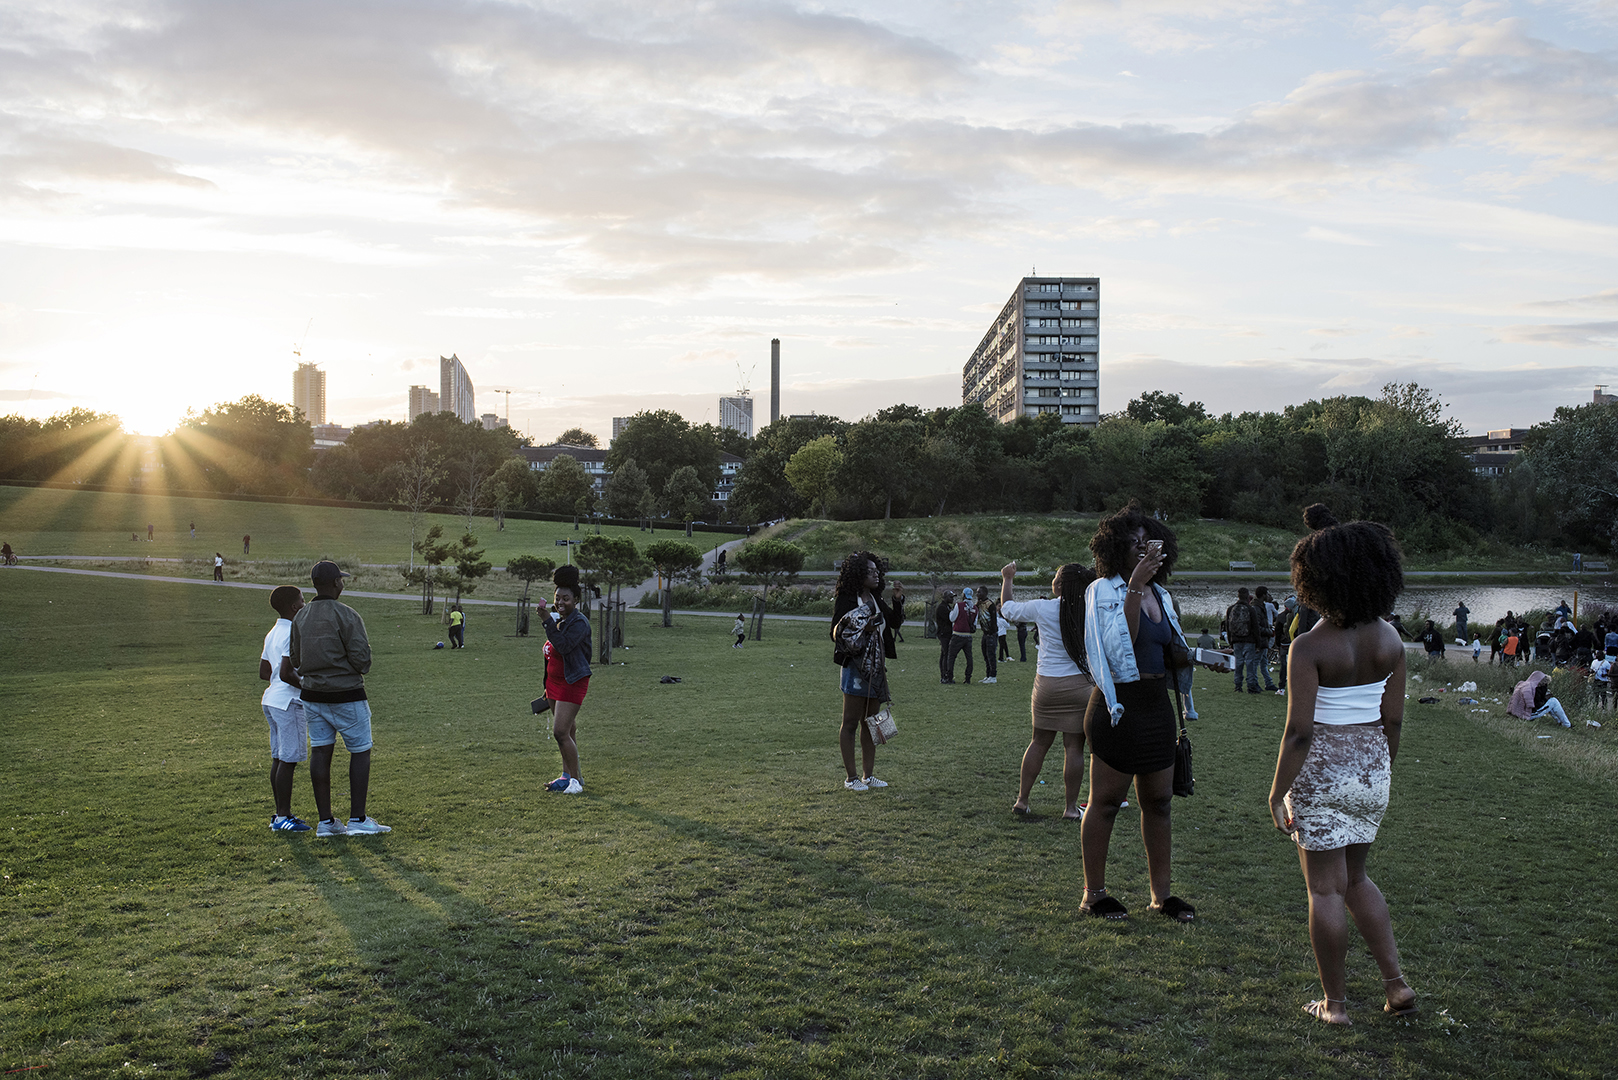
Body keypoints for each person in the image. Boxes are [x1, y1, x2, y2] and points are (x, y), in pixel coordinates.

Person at [1267, 508, 1415, 1026]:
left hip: (1321, 771)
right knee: (1357, 879)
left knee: (1325, 888)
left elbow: (1299, 731)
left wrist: (1276, 792)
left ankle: (1335, 1006)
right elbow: (1393, 720)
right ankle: (1396, 985)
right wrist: (1379, 770)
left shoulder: (1308, 647)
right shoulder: (1391, 640)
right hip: (1372, 766)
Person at [1080, 504, 1195, 922]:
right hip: (1119, 708)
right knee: (1106, 802)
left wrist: (1196, 658)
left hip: (1156, 708)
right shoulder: (1102, 591)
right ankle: (1094, 895)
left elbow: (1166, 650)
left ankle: (1161, 896)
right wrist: (1133, 587)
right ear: (1116, 549)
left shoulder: (1160, 595)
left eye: (1149, 542)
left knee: (1159, 802)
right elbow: (1117, 648)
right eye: (1134, 543)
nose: (1143, 549)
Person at [290, 561, 390, 836]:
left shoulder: (300, 617)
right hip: (347, 694)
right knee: (360, 750)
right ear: (336, 583)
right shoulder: (347, 615)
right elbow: (362, 660)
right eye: (341, 580)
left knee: (321, 750)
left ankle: (326, 822)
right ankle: (358, 819)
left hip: (312, 694)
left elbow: (295, 658)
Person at [1002, 561, 1095, 820]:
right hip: (1081, 685)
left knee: (1039, 742)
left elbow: (1008, 610)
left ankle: (1022, 800)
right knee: (1074, 748)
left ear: (1060, 584)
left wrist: (1007, 578)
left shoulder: (1043, 608)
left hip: (1048, 685)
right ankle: (1070, 808)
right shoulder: (1090, 610)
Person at [831, 551, 904, 791]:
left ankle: (868, 776)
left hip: (876, 668)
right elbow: (836, 632)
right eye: (870, 571)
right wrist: (865, 628)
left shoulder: (875, 598)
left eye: (876, 571)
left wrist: (897, 600)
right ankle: (851, 778)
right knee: (850, 722)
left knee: (871, 722)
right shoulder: (847, 599)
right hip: (855, 667)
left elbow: (894, 622)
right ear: (858, 574)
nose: (876, 575)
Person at [536, 564, 592, 794]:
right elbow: (550, 654)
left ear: (576, 600)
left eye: (566, 599)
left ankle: (575, 782)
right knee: (568, 731)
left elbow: (564, 646)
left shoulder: (579, 623)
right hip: (554, 684)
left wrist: (548, 622)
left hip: (572, 682)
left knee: (560, 732)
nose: (560, 602)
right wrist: (546, 686)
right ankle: (567, 776)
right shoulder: (559, 620)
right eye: (557, 598)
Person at [259, 585, 311, 832]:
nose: (304, 604)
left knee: (279, 758)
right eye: (302, 601)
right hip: (289, 701)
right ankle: (283, 817)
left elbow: (265, 671)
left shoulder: (273, 632)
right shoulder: (293, 631)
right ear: (294, 607)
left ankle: (280, 814)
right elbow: (286, 673)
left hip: (271, 700)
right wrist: (308, 687)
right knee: (288, 759)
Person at [1227, 587, 1272, 693]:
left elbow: (1228, 626)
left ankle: (1238, 686)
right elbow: (1255, 627)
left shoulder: (1231, 609)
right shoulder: (1250, 609)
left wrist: (1230, 640)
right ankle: (1251, 686)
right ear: (1247, 596)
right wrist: (1258, 643)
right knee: (1250, 664)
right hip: (1249, 639)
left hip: (1236, 640)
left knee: (1238, 663)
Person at [944, 587, 977, 686]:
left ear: (963, 595)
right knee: (969, 658)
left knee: (951, 657)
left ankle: (949, 677)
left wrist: (951, 612)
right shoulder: (975, 609)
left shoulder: (959, 605)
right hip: (968, 636)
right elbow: (974, 623)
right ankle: (968, 678)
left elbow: (952, 618)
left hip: (957, 634)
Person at [934, 590, 956, 684]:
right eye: (951, 597)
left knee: (945, 653)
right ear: (945, 597)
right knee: (945, 654)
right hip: (944, 634)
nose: (952, 599)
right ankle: (944, 676)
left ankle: (945, 675)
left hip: (947, 633)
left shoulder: (947, 606)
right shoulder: (942, 608)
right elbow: (949, 619)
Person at [977, 596, 1000, 684]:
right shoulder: (980, 604)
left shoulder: (990, 604)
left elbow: (993, 619)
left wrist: (992, 631)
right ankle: (988, 675)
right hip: (985, 633)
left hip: (991, 633)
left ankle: (993, 676)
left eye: (979, 592)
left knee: (991, 654)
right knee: (985, 654)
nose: (978, 594)